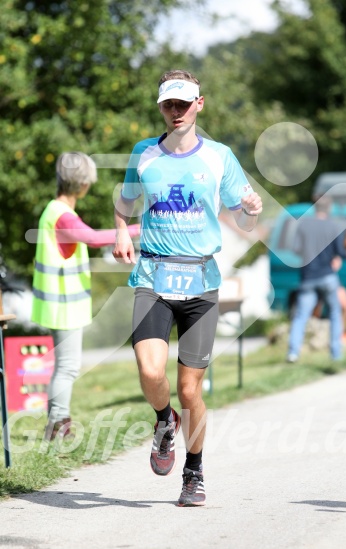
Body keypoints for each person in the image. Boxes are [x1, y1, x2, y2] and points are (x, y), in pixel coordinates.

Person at [113, 69, 263, 506]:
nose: (175, 111)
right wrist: (122, 229)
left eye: (183, 103)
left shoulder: (219, 157)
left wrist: (252, 211)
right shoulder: (144, 154)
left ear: (200, 103)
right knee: (150, 372)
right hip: (154, 277)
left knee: (191, 390)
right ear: (160, 106)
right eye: (168, 104)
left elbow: (244, 218)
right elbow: (123, 204)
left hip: (200, 282)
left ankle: (194, 472)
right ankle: (164, 422)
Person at [31, 152, 140, 440]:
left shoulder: (53, 211)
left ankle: (57, 424)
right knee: (67, 367)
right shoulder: (63, 216)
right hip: (62, 304)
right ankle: (57, 426)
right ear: (83, 185)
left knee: (65, 366)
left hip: (59, 303)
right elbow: (93, 238)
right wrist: (138, 229)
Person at [287, 195, 346, 363]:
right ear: (329, 208)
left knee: (300, 316)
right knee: (335, 312)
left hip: (308, 277)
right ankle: (336, 353)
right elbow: (340, 252)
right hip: (328, 276)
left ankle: (293, 353)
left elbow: (296, 249)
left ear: (315, 207)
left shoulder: (304, 224)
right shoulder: (333, 226)